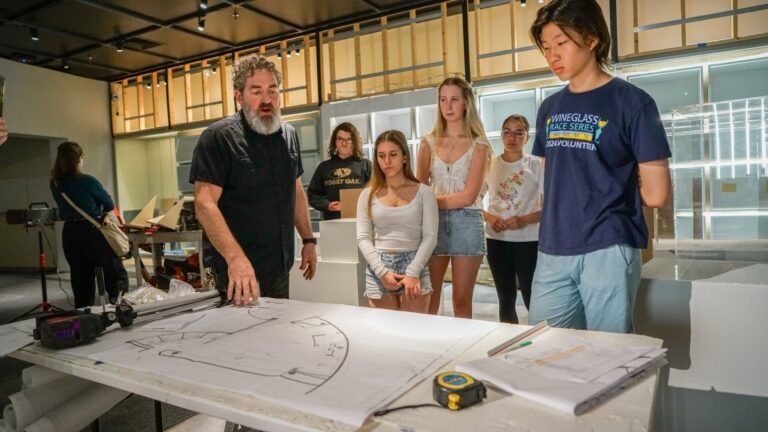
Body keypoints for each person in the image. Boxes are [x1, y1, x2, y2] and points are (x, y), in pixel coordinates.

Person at [527, 0, 672, 332]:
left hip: (608, 246)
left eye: (561, 43)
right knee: (543, 350)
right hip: (553, 247)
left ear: (592, 39)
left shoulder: (634, 103)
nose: (552, 56)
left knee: (608, 358)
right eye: (546, 47)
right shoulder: (549, 108)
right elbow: (553, 180)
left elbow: (657, 194)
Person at [190, 55, 317, 306]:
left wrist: (308, 239)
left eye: (273, 90)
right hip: (237, 271)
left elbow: (295, 188)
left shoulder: (289, 136)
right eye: (256, 91)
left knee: (278, 339)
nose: (267, 99)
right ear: (239, 96)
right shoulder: (218, 138)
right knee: (243, 343)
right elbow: (204, 204)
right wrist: (235, 258)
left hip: (279, 267)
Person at [416, 77, 491, 318]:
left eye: (454, 100)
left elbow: (469, 197)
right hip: (432, 225)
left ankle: (460, 352)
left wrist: (429, 202)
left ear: (466, 103)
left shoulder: (479, 145)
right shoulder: (427, 143)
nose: (448, 106)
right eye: (443, 100)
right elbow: (419, 190)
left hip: (467, 222)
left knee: (461, 301)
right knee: (429, 297)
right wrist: (424, 204)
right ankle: (431, 351)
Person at [357, 130, 438, 313]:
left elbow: (430, 237)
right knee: (383, 334)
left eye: (393, 154)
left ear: (404, 157)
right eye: (381, 155)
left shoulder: (424, 192)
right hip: (379, 266)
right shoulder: (367, 195)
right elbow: (363, 238)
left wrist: (412, 272)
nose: (387, 161)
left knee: (414, 333)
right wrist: (382, 272)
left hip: (415, 264)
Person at [50, 142, 129, 307]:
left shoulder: (56, 184)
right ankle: (120, 307)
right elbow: (108, 204)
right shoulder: (87, 180)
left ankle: (85, 314)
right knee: (113, 271)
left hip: (70, 233)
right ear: (78, 159)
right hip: (91, 231)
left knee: (81, 277)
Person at [483, 114, 541, 324]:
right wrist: (489, 217)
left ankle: (539, 345)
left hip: (529, 240)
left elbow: (551, 208)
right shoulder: (490, 165)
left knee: (531, 296)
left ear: (527, 137)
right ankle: (508, 348)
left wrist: (525, 219)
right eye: (507, 132)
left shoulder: (536, 165)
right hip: (497, 241)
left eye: (518, 133)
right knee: (505, 299)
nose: (512, 137)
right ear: (501, 135)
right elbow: (473, 201)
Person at [308, 122, 372, 220]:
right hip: (332, 222)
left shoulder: (366, 165)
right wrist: (327, 205)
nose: (344, 143)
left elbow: (376, 192)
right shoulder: (324, 167)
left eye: (349, 139)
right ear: (334, 141)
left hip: (361, 221)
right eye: (340, 139)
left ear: (354, 142)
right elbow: (313, 195)